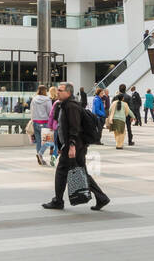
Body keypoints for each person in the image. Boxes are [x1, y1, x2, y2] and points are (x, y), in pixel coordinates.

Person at [41, 83, 110, 212]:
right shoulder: (64, 105)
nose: (58, 92)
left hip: (75, 145)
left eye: (60, 90)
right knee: (81, 171)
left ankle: (58, 201)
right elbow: (61, 126)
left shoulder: (71, 106)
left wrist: (71, 145)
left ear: (68, 92)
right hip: (75, 145)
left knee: (62, 171)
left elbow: (74, 127)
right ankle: (101, 197)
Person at [29, 84, 52, 165]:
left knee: (39, 141)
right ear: (45, 91)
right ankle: (40, 154)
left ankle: (40, 158)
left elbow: (31, 110)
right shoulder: (47, 100)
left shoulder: (34, 99)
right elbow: (50, 112)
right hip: (45, 122)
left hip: (35, 122)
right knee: (48, 141)